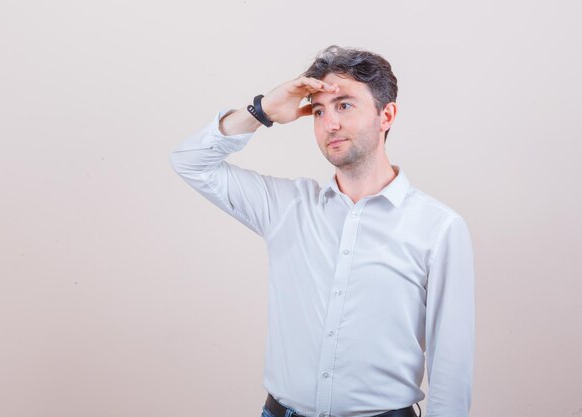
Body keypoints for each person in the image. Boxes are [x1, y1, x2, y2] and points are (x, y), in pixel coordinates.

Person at [169, 45, 475, 417]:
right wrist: (261, 111)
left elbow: (451, 367)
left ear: (386, 115)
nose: (329, 124)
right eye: (318, 111)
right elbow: (190, 162)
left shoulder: (439, 228)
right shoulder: (287, 207)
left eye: (344, 105)